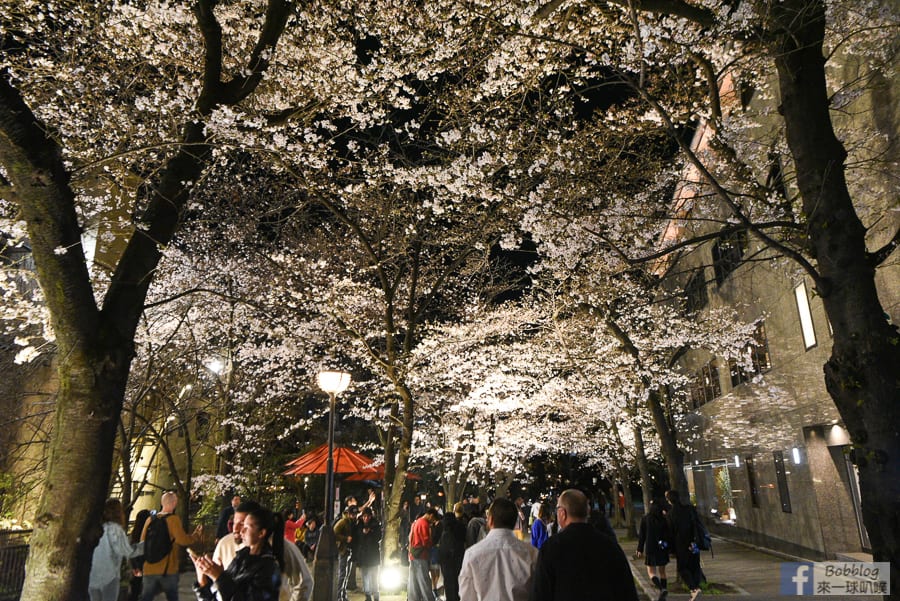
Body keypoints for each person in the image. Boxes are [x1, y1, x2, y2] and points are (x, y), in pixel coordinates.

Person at [531, 489, 638, 601]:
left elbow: (540, 593)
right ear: (587, 511)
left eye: (558, 509)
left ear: (562, 513)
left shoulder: (551, 548)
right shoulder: (610, 546)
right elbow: (627, 592)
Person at [212, 500, 313, 601]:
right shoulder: (225, 544)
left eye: (243, 524)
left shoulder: (280, 549)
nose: (236, 529)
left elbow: (304, 582)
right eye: (234, 522)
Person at [193, 504, 283, 601]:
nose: (241, 531)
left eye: (246, 527)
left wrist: (219, 577)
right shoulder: (241, 557)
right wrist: (203, 581)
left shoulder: (268, 568)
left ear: (261, 533)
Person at [458, 497, 538, 601]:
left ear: (490, 520)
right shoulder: (532, 553)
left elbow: (467, 597)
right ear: (514, 522)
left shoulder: (472, 554)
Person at [141, 491, 203, 601]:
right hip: (168, 568)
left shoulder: (150, 519)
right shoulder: (173, 520)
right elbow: (182, 540)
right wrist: (195, 536)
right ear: (174, 503)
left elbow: (142, 541)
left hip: (149, 567)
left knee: (146, 597)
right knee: (172, 597)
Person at [89, 499, 144, 601]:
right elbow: (127, 551)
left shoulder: (97, 528)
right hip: (110, 577)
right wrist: (145, 546)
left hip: (93, 576)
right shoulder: (115, 529)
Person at [665, 490, 705, 601]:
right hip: (694, 541)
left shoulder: (670, 515)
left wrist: (671, 550)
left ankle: (694, 588)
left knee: (683, 568)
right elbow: (696, 523)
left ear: (669, 501)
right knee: (695, 565)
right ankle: (696, 588)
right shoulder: (689, 509)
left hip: (681, 545)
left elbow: (670, 533)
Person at [637, 498, 672, 600]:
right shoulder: (664, 519)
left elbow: (642, 536)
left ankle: (661, 589)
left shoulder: (645, 519)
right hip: (662, 548)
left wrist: (640, 549)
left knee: (651, 572)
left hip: (651, 548)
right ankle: (664, 591)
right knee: (662, 572)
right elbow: (668, 534)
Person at [408, 507, 440, 601]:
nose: (432, 522)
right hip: (421, 555)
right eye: (433, 520)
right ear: (431, 515)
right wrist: (432, 544)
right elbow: (426, 541)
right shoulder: (424, 523)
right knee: (424, 581)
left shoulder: (416, 522)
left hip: (413, 554)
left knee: (414, 582)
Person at [437, 503, 467, 601]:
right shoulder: (460, 526)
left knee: (448, 581)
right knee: (457, 580)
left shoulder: (442, 526)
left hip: (445, 559)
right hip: (458, 557)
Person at [353, 507, 382, 601]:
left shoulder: (375, 525)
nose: (365, 518)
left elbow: (378, 537)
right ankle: (367, 595)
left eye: (367, 516)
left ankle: (376, 594)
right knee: (365, 576)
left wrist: (370, 532)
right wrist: (363, 533)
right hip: (363, 555)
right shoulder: (359, 526)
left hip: (373, 554)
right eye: (364, 516)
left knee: (374, 576)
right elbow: (357, 538)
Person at [334, 505, 357, 601]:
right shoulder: (343, 522)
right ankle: (339, 596)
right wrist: (345, 539)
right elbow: (334, 533)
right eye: (352, 514)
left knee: (346, 574)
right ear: (348, 513)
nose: (353, 516)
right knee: (343, 574)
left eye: (354, 514)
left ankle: (343, 595)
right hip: (343, 550)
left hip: (349, 550)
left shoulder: (352, 521)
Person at [128, 509, 151, 601]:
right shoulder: (151, 537)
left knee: (135, 593)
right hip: (146, 571)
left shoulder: (131, 537)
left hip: (135, 571)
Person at [399, 500, 411, 565]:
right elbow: (401, 516)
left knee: (405, 538)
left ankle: (405, 546)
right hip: (402, 525)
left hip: (406, 525)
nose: (406, 505)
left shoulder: (408, 511)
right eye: (405, 504)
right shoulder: (402, 510)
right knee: (403, 537)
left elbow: (408, 518)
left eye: (406, 504)